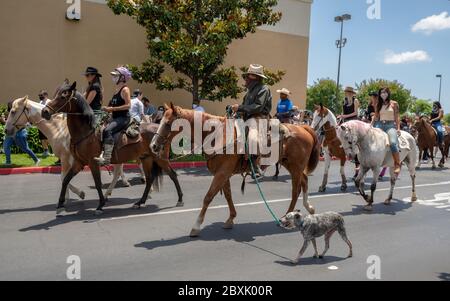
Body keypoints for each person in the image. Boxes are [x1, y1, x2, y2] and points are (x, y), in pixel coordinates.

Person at [231, 64, 272, 177]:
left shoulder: (264, 89)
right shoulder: (248, 92)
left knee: (252, 136)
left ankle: (255, 164)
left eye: (249, 76)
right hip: (248, 117)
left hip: (259, 117)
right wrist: (236, 112)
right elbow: (244, 107)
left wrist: (239, 107)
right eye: (247, 76)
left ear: (256, 77)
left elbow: (258, 106)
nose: (246, 78)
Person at [94, 66, 132, 166]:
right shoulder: (116, 90)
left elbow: (128, 105)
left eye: (116, 76)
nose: (113, 77)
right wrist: (106, 109)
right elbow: (113, 104)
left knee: (108, 130)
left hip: (123, 118)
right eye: (113, 76)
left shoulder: (125, 90)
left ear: (122, 78)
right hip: (115, 117)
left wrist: (111, 109)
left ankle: (107, 159)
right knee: (99, 128)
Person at [372, 87, 401, 176]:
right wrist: (371, 125)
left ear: (388, 93)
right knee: (370, 139)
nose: (383, 94)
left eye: (385, 92)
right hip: (379, 125)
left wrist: (398, 128)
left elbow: (397, 117)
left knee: (392, 143)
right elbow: (376, 117)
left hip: (390, 125)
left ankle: (397, 164)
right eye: (381, 93)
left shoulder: (394, 104)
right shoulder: (377, 104)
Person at [3, 101, 40, 166]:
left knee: (25, 148)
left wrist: (15, 125)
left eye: (11, 105)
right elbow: (7, 124)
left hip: (20, 132)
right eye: (9, 105)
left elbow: (25, 123)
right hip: (10, 133)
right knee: (6, 146)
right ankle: (8, 162)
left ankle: (36, 159)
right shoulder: (8, 113)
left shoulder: (20, 113)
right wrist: (3, 120)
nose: (10, 106)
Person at [338, 86, 360, 178]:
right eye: (346, 92)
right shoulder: (344, 101)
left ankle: (358, 163)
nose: (347, 93)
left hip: (354, 121)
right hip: (346, 121)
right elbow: (343, 113)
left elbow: (356, 113)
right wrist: (341, 117)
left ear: (351, 93)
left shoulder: (355, 100)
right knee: (338, 131)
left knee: (354, 140)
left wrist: (344, 116)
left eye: (348, 92)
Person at [38, 90, 52, 158]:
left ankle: (52, 150)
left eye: (41, 95)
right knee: (42, 138)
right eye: (39, 95)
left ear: (46, 95)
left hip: (48, 123)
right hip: (41, 122)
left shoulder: (49, 102)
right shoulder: (40, 102)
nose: (40, 97)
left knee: (48, 137)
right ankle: (46, 151)